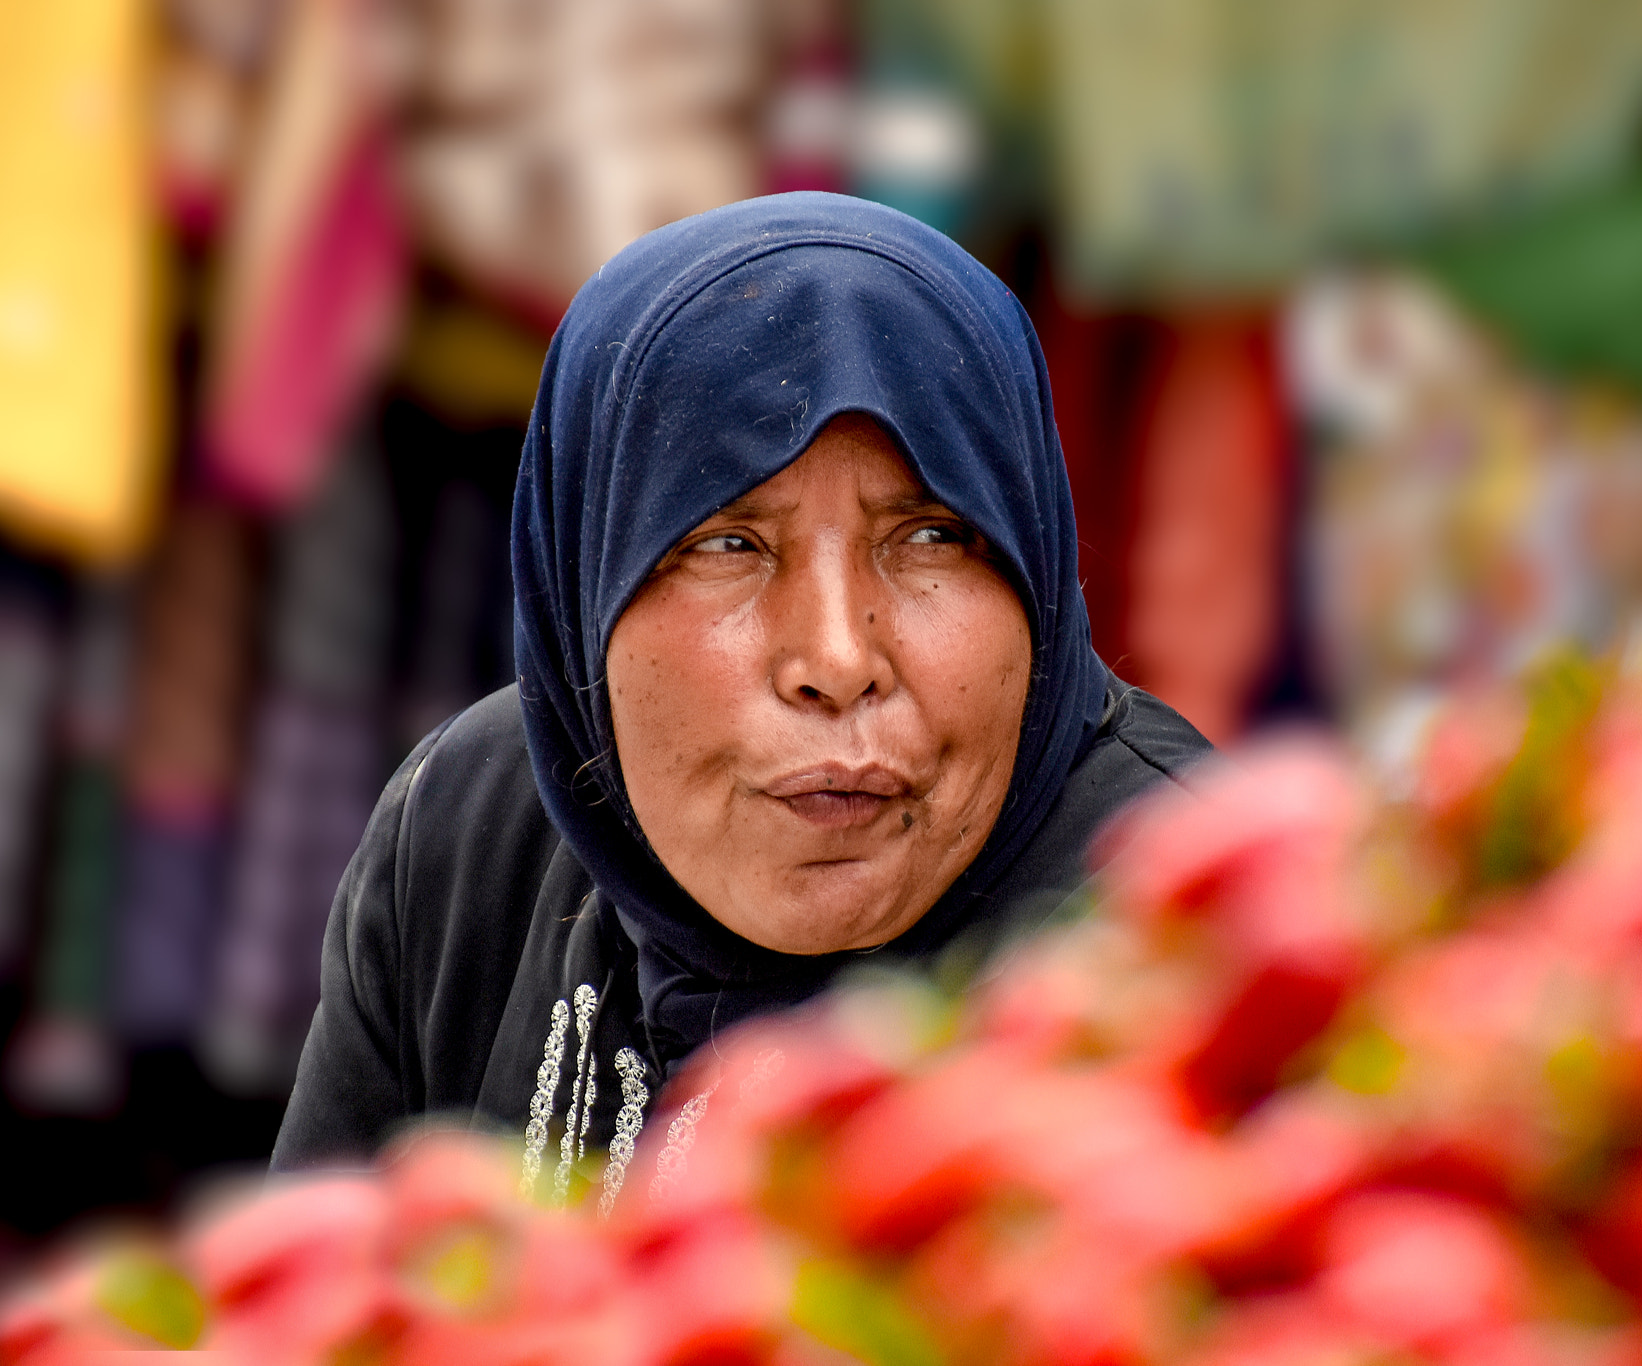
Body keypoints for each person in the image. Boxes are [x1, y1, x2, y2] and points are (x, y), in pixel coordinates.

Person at [271, 194, 1210, 1177]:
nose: (838, 660)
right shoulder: (468, 831)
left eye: (930, 537)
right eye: (728, 544)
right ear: (585, 582)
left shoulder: (1184, 924)